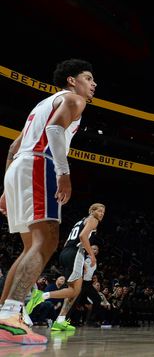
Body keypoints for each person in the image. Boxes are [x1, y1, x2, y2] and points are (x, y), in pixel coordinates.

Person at [0, 59, 96, 345]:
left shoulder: (42, 104)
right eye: (88, 78)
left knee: (31, 245)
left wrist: (6, 187)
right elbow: (54, 132)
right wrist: (63, 173)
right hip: (41, 164)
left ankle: (5, 313)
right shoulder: (73, 99)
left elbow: (13, 146)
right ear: (71, 80)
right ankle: (10, 315)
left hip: (19, 167)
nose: (93, 84)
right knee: (47, 240)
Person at [26, 203, 105, 332]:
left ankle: (60, 321)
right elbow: (82, 236)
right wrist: (91, 255)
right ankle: (41, 296)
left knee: (72, 290)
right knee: (74, 291)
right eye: (99, 211)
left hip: (67, 253)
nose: (101, 214)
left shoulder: (81, 221)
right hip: (75, 254)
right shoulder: (93, 220)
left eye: (103, 212)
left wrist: (80, 262)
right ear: (92, 211)